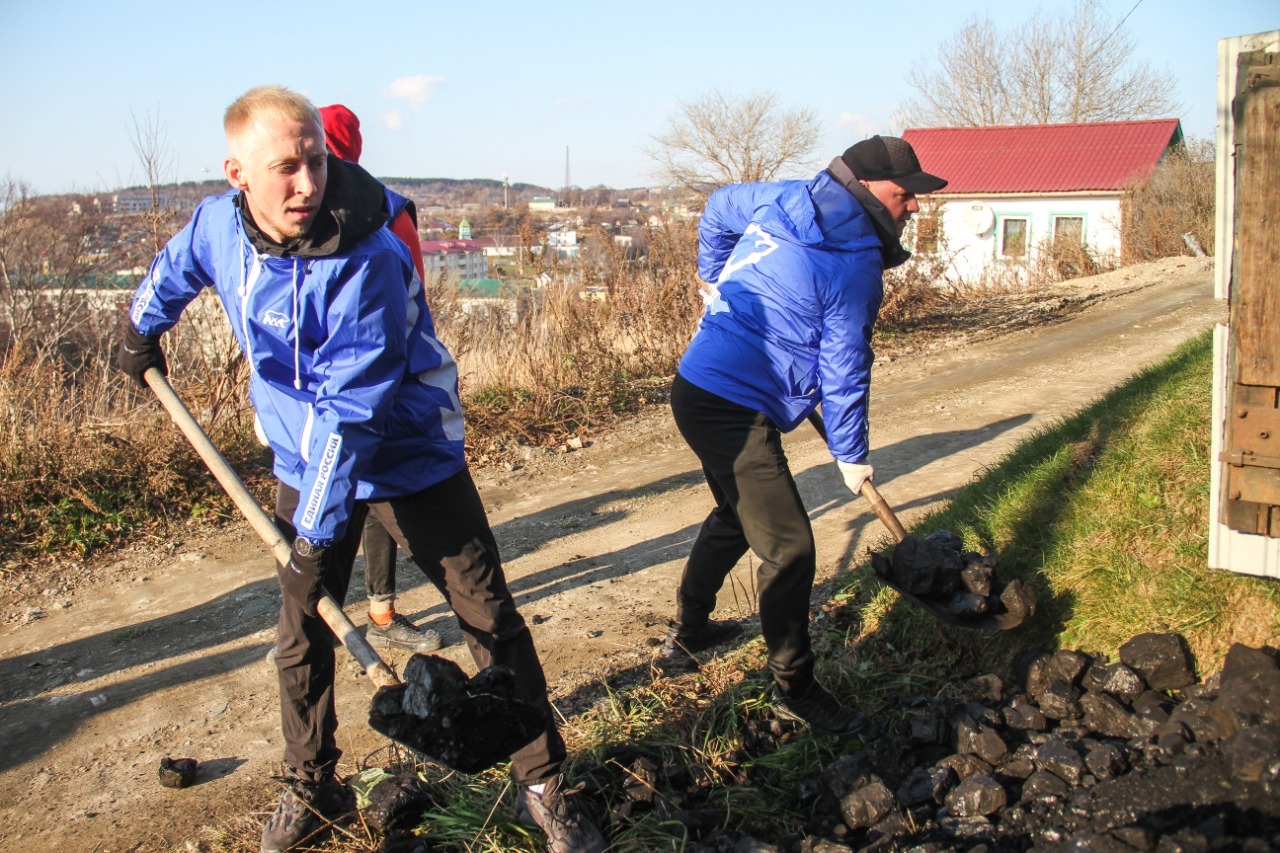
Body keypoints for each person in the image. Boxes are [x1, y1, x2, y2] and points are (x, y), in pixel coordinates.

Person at [117, 86, 605, 853]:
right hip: (302, 456)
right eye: (287, 167)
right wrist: (142, 327)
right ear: (237, 172)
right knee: (300, 632)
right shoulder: (220, 225)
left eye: (316, 160)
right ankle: (313, 783)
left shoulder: (368, 257)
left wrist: (311, 539)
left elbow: (353, 417)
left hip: (407, 452)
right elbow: (179, 263)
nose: (309, 183)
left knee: (488, 619)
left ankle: (545, 783)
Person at [657, 136, 947, 737]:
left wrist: (714, 279)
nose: (913, 207)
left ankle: (690, 630)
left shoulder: (786, 196)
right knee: (789, 548)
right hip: (727, 406)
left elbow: (718, 207)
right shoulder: (856, 266)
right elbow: (844, 365)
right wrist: (851, 454)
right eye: (905, 195)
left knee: (738, 516)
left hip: (701, 388)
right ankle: (797, 685)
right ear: (866, 187)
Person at [319, 103, 441, 654]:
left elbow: (407, 307)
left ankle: (378, 615)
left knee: (362, 497)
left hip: (373, 387)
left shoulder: (387, 215)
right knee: (332, 502)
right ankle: (316, 624)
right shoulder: (284, 222)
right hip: (328, 394)